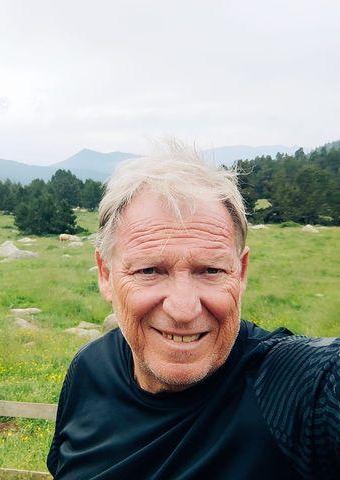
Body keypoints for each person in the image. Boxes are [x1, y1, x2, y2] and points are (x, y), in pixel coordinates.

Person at [47, 143, 339, 479]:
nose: (184, 310)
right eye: (149, 271)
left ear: (240, 272)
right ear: (105, 274)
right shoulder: (88, 370)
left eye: (211, 270)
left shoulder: (294, 388)